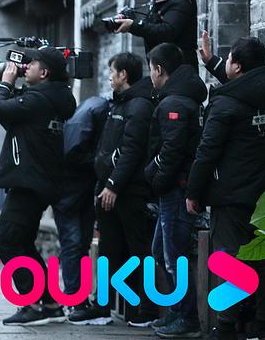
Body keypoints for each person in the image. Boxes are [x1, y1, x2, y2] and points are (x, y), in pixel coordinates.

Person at [187, 37, 265, 340]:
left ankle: (226, 326)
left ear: (238, 66)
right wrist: (212, 62)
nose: (226, 62)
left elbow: (207, 151)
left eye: (228, 59)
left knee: (229, 260)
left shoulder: (225, 104)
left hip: (231, 195)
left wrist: (193, 192)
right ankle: (263, 326)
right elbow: (242, 88)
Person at [0, 47, 76, 326]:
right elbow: (12, 120)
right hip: (37, 179)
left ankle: (34, 303)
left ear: (45, 72)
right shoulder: (52, 98)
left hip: (29, 181)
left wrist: (5, 83)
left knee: (7, 240)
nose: (25, 67)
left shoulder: (38, 99)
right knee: (22, 242)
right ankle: (50, 303)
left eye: (32, 63)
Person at [143, 43, 206, 338]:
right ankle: (178, 310)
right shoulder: (180, 98)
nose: (150, 75)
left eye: (150, 69)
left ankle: (188, 318)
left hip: (176, 190)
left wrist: (156, 180)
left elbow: (172, 151)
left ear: (159, 69)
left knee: (173, 256)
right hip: (173, 188)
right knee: (160, 250)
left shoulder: (174, 104)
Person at [92, 51, 156, 328]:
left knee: (137, 249)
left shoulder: (139, 106)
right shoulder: (120, 103)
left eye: (112, 71)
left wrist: (113, 185)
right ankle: (102, 307)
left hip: (129, 191)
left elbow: (132, 150)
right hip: (110, 189)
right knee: (109, 248)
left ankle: (144, 309)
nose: (109, 77)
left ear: (123, 75)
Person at [58, 91, 110, 325]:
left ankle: (76, 298)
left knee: (78, 244)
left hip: (74, 191)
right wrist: (98, 160)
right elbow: (73, 152)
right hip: (71, 192)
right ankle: (74, 298)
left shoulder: (89, 110)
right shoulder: (98, 111)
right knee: (75, 243)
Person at [113, 0, 202, 69]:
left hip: (179, 70)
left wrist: (133, 25)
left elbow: (167, 31)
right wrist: (132, 20)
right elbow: (153, 27)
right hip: (165, 68)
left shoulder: (181, 1)